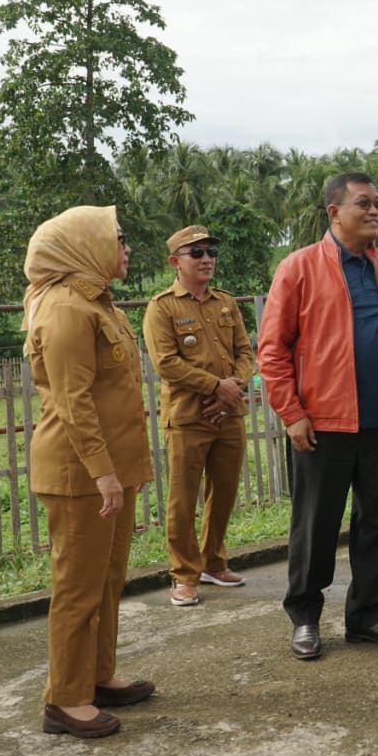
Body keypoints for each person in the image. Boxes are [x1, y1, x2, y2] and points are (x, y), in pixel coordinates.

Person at [257, 172, 378, 661]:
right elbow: (272, 350)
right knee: (316, 525)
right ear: (334, 213)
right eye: (364, 204)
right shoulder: (298, 268)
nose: (375, 212)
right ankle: (305, 618)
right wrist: (291, 413)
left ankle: (367, 617)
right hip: (322, 425)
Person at [23, 206, 155, 738]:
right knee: (77, 587)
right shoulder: (63, 309)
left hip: (111, 469)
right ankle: (65, 698)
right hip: (80, 473)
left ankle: (98, 675)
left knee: (107, 580)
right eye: (116, 239)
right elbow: (74, 402)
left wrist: (122, 471)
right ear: (83, 246)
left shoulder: (97, 301)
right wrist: (103, 473)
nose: (124, 248)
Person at [143, 225, 255, 607]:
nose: (206, 259)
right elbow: (167, 364)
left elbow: (245, 351)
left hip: (229, 414)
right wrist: (214, 387)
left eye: (210, 252)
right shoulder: (162, 307)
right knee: (182, 500)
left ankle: (213, 562)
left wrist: (233, 388)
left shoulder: (225, 302)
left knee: (223, 494)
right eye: (197, 253)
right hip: (188, 418)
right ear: (176, 262)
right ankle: (184, 575)